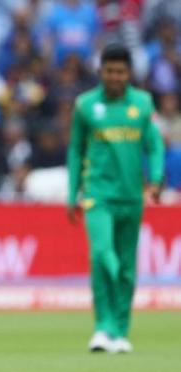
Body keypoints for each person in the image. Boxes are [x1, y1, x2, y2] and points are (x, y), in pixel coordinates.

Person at [67, 44, 165, 353]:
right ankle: (103, 327)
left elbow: (155, 145)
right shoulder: (86, 105)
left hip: (131, 196)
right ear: (101, 72)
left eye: (121, 72)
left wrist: (156, 179)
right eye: (110, 71)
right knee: (102, 255)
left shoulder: (143, 103)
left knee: (126, 267)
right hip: (98, 194)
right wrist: (72, 193)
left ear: (129, 73)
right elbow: (75, 150)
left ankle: (120, 331)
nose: (115, 77)